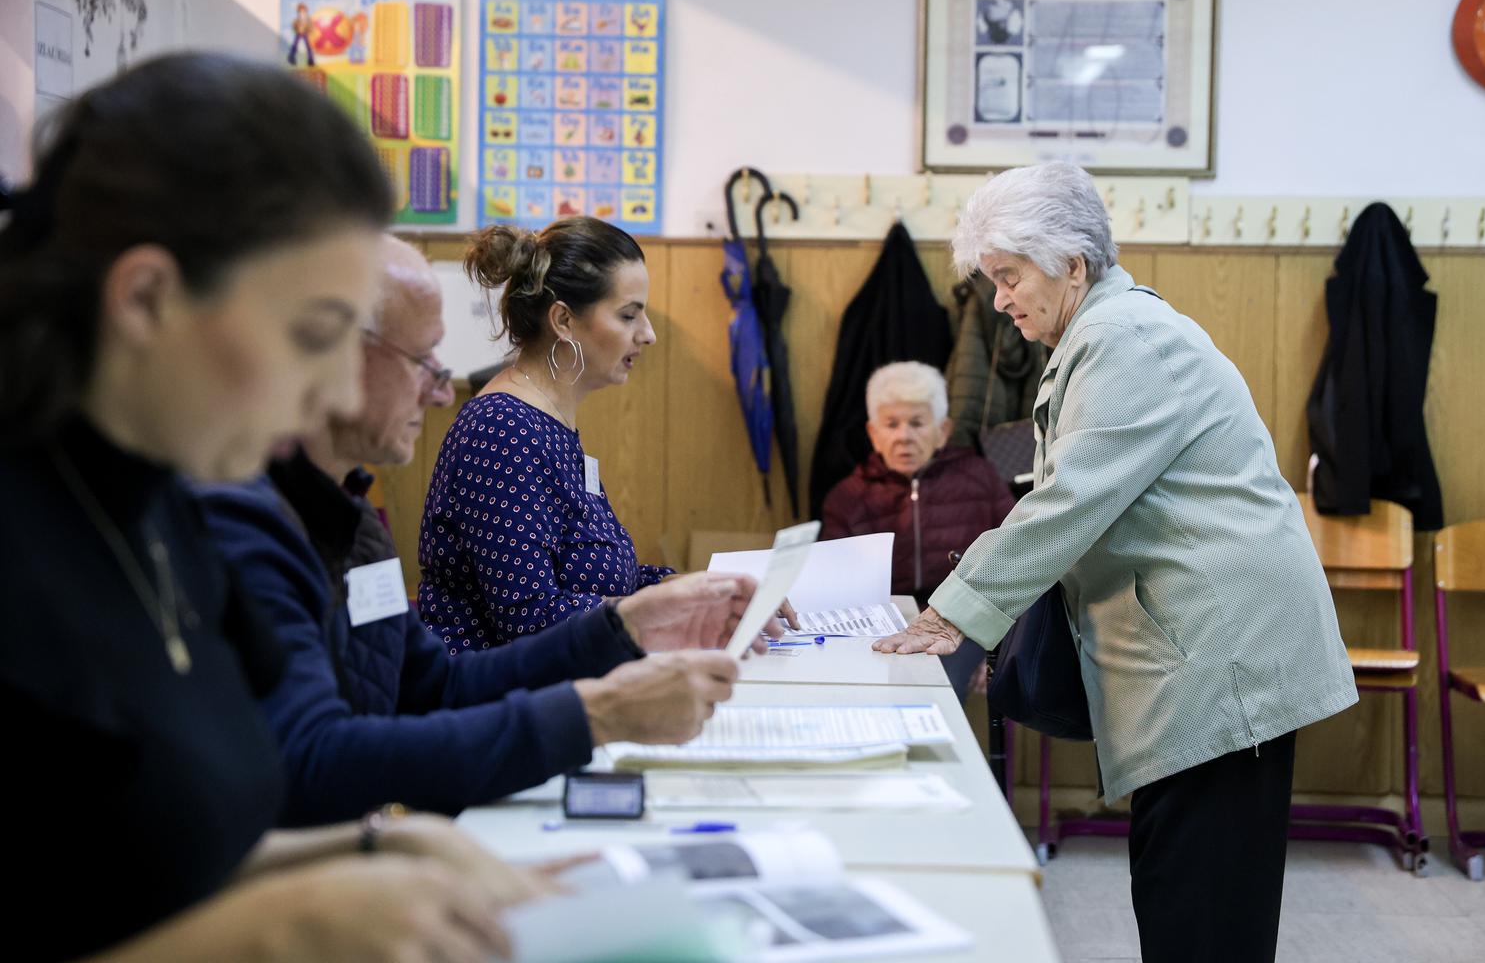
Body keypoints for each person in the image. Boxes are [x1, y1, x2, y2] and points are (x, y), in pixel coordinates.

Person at [0, 52, 538, 963]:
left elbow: (150, 866)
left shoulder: (161, 508)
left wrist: (379, 845)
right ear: (147, 297)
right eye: (315, 334)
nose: (334, 387)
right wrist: (275, 927)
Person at [874, 161, 1357, 963]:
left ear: (1072, 263)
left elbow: (1067, 505)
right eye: (991, 279)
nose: (998, 299)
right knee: (1179, 887)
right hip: (1197, 645)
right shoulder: (1096, 335)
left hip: (1225, 656)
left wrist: (949, 616)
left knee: (1203, 908)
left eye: (1008, 276)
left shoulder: (1125, 339)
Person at [199, 236, 760, 824]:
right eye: (423, 362)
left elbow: (436, 686)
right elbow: (317, 759)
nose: (443, 389)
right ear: (334, 357)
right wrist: (597, 712)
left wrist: (628, 623)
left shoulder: (356, 524)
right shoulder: (249, 525)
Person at [418, 218, 673, 651]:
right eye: (629, 315)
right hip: (494, 704)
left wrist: (696, 590)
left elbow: (599, 578)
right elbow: (530, 617)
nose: (647, 334)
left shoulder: (548, 422)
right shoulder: (502, 429)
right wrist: (671, 611)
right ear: (564, 321)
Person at [821, 361, 1011, 699]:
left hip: (963, 624)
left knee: (933, 681)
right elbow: (835, 590)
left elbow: (1016, 562)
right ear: (873, 434)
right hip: (880, 626)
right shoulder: (847, 498)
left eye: (917, 423)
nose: (904, 436)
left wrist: (999, 646)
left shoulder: (980, 479)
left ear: (943, 430)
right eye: (891, 424)